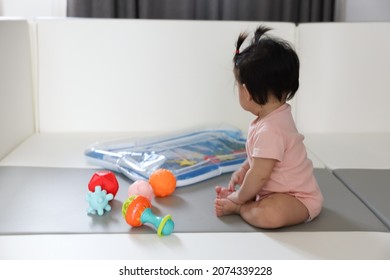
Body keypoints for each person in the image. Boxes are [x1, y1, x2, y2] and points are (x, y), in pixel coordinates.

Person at [215, 26, 323, 229]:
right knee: (260, 197)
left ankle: (241, 208)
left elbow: (260, 174)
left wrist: (238, 198)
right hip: (277, 192)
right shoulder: (273, 118)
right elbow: (260, 161)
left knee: (269, 215)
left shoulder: (270, 130)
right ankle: (249, 200)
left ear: (247, 92)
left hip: (298, 199)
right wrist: (244, 168)